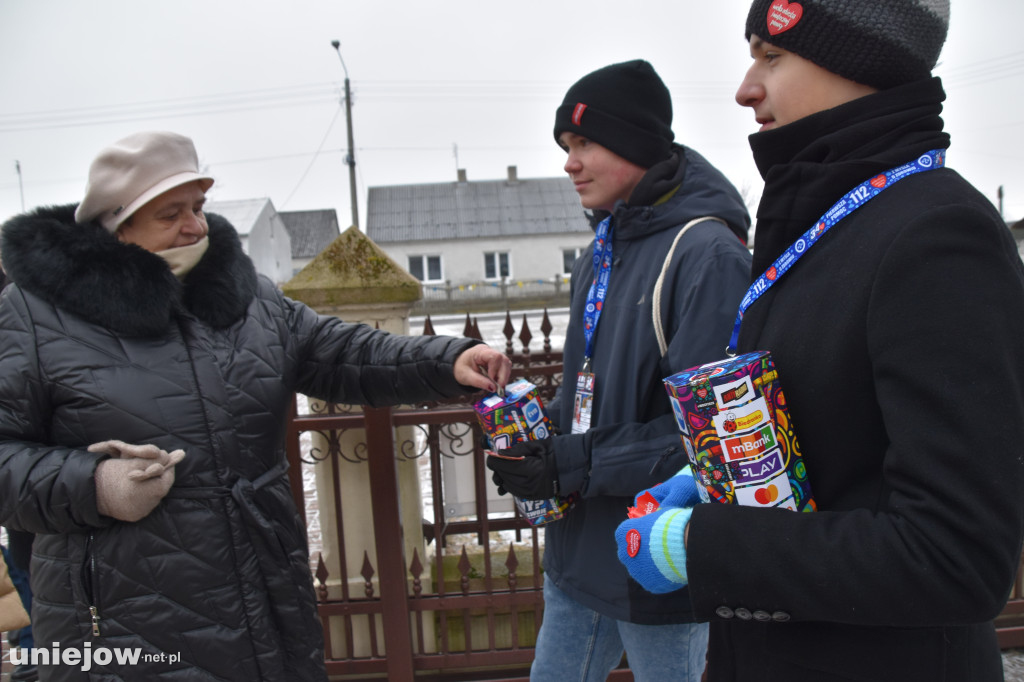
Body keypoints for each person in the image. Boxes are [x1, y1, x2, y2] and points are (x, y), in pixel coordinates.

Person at [0, 130, 511, 681]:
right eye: (170, 213)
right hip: (123, 624)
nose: (194, 226)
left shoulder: (247, 297)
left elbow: (343, 352)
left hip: (262, 593)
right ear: (115, 225)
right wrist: (95, 484)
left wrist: (445, 361)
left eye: (197, 206)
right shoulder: (34, 314)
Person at [614, 2, 1024, 680]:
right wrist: (718, 484)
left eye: (771, 57)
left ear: (858, 63)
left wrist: (707, 544)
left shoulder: (939, 236)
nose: (747, 87)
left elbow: (956, 557)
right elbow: (840, 441)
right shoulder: (824, 222)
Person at [486, 60, 752, 681]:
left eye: (585, 143)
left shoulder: (707, 253)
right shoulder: (602, 248)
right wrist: (539, 441)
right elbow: (593, 394)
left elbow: (707, 440)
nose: (569, 163)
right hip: (577, 550)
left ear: (635, 142)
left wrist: (573, 462)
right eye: (565, 146)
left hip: (653, 554)